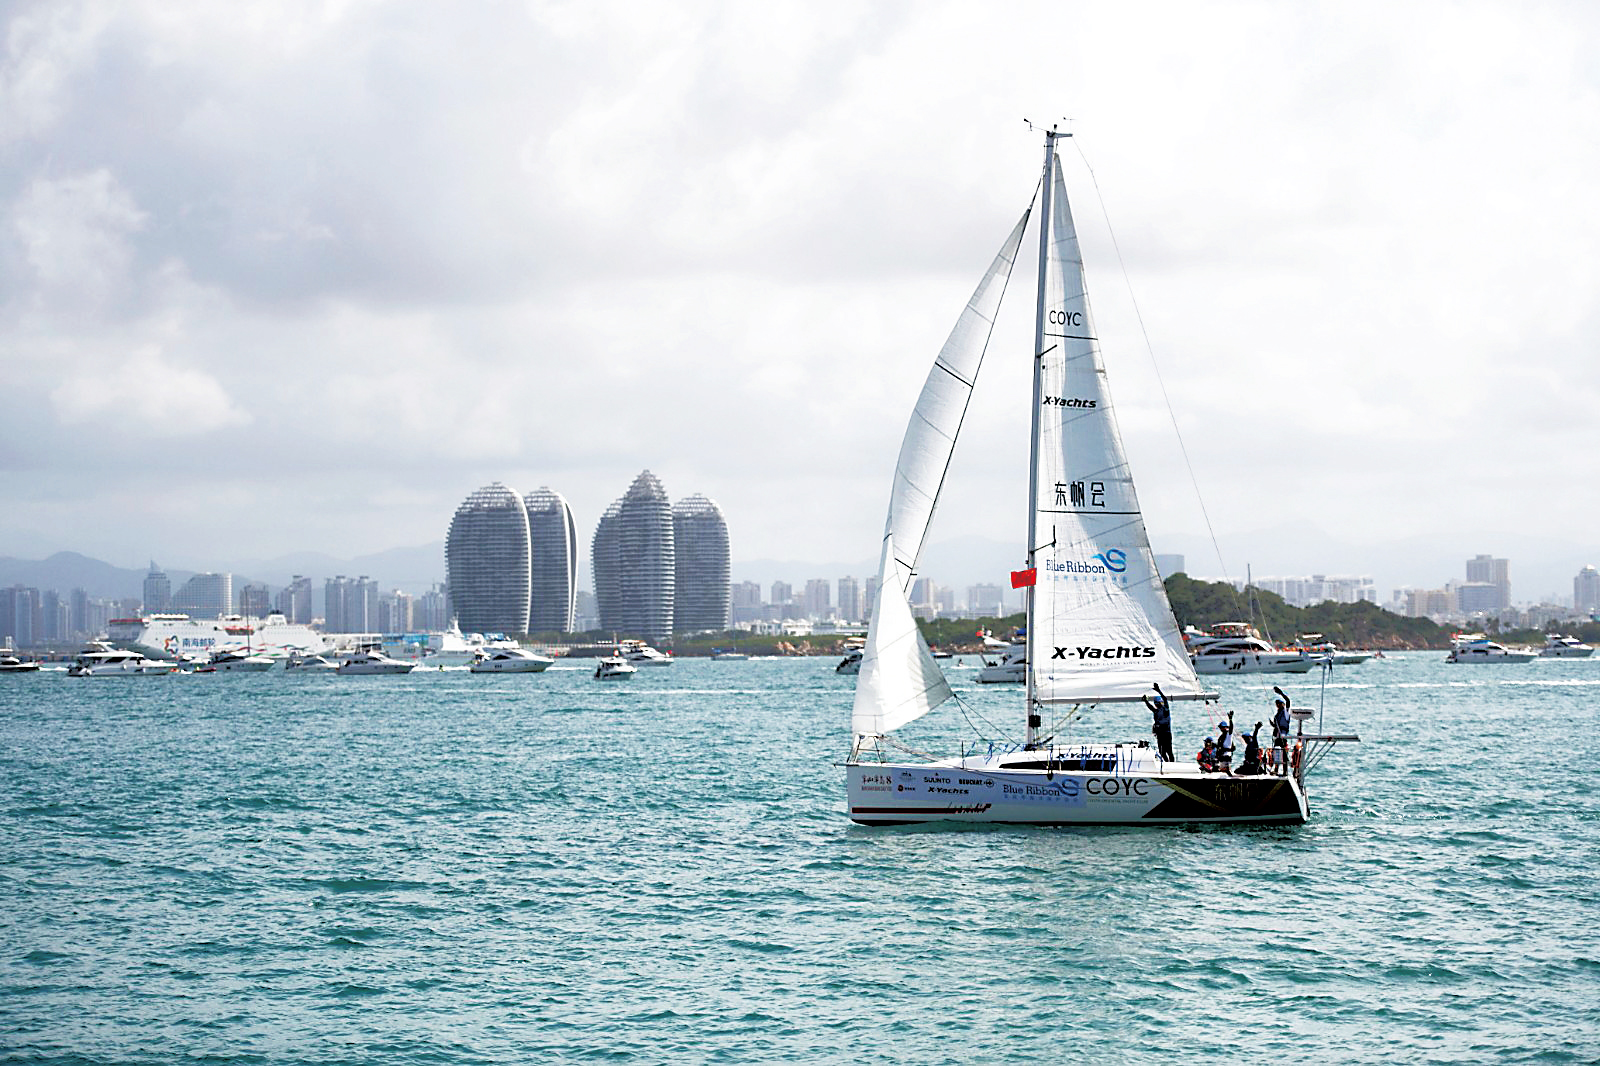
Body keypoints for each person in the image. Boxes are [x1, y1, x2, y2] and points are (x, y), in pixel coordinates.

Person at [1143, 683, 1174, 763]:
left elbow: (1165, 699)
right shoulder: (1156, 711)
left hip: (1166, 734)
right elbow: (1151, 707)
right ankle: (1167, 763)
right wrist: (1146, 701)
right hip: (1160, 735)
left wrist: (1159, 690)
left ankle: (1172, 764)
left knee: (1168, 751)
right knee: (1162, 752)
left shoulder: (1165, 709)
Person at [1271, 686, 1293, 777]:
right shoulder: (1277, 714)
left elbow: (1288, 701)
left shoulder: (1285, 712)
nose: (1278, 705)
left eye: (1279, 703)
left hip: (1283, 735)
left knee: (1283, 753)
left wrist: (1281, 693)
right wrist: (1273, 725)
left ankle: (1285, 771)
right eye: (1277, 704)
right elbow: (1276, 725)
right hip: (1277, 735)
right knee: (1276, 752)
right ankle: (1276, 769)